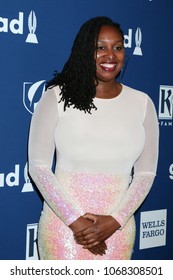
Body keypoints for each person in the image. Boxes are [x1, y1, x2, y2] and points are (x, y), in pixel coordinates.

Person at [28, 16, 159, 260]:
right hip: (63, 230)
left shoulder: (142, 104)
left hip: (116, 233)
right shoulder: (56, 97)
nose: (110, 55)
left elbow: (145, 173)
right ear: (85, 51)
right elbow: (39, 168)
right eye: (100, 47)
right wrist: (76, 223)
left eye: (118, 47)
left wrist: (116, 220)